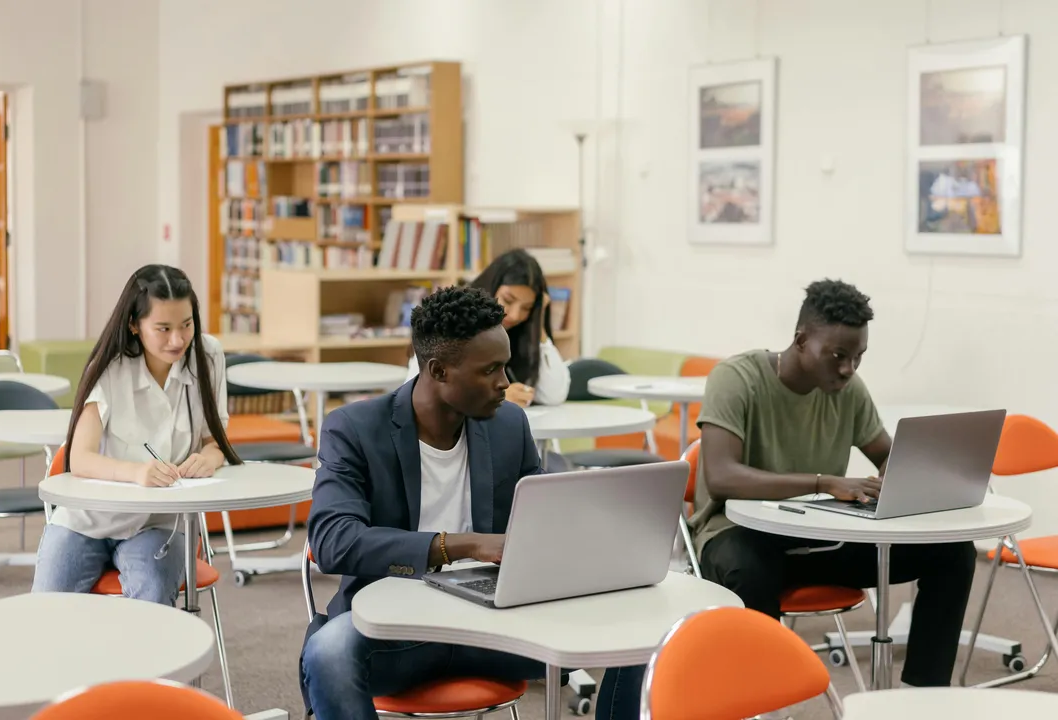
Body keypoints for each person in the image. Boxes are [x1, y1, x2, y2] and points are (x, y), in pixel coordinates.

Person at [300, 285, 642, 720]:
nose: (505, 383)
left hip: (494, 626)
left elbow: (538, 516)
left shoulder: (509, 425)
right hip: (397, 628)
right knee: (328, 651)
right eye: (491, 370)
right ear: (439, 370)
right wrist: (464, 545)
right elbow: (334, 542)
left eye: (506, 367)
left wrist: (589, 530)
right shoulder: (353, 428)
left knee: (640, 629)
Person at [691, 278, 976, 688]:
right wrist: (825, 482)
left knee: (953, 552)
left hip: (821, 539)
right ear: (801, 340)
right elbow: (720, 477)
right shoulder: (737, 378)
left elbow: (889, 458)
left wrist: (933, 478)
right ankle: (759, 701)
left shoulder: (848, 391)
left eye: (858, 357)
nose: (848, 369)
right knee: (748, 570)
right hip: (739, 536)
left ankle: (923, 694)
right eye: (838, 355)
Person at [31, 264, 240, 605]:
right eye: (163, 328)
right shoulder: (110, 364)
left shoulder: (208, 356)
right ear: (134, 325)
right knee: (46, 609)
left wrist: (209, 459)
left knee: (152, 602)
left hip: (159, 524)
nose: (178, 339)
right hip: (88, 518)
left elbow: (215, 441)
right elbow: (79, 458)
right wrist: (137, 473)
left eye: (186, 325)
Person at [405, 249, 570, 407]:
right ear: (490, 288)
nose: (514, 315)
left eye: (527, 308)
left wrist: (538, 325)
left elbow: (554, 395)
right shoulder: (450, 321)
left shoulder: (519, 334)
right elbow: (418, 394)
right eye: (508, 301)